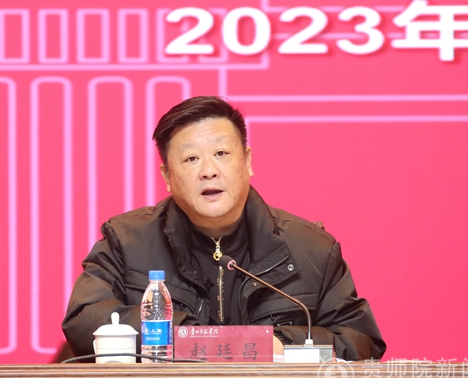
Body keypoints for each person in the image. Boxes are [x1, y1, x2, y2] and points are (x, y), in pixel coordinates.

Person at [62, 96, 386, 361]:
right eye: (191, 159)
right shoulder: (126, 241)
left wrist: (280, 345)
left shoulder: (312, 249)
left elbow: (360, 340)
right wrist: (191, 338)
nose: (208, 171)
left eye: (221, 153)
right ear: (167, 176)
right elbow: (84, 319)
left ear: (247, 161)